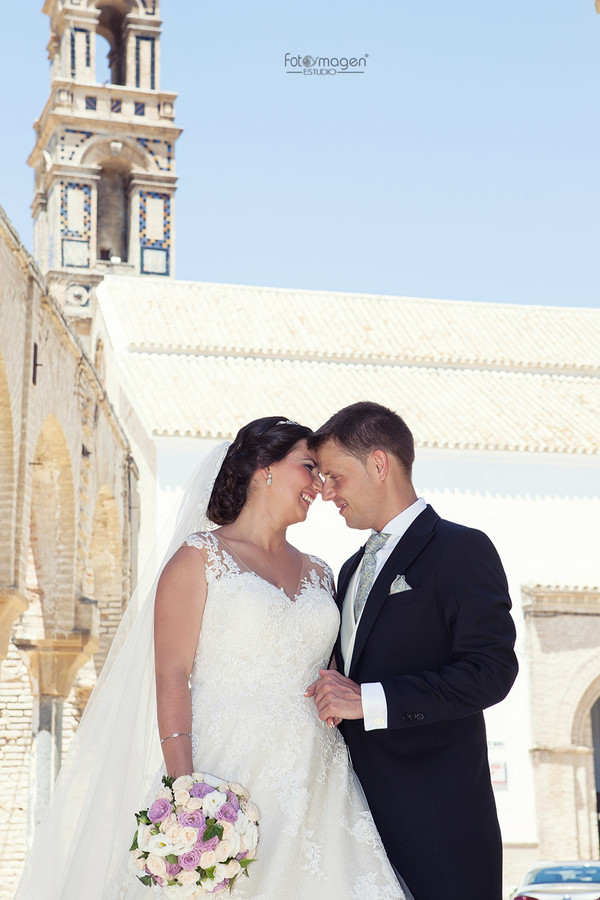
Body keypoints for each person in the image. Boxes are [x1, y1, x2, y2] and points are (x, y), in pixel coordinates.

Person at [15, 416, 409, 900]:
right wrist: (187, 795)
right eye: (309, 467)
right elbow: (171, 675)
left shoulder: (322, 574)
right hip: (226, 771)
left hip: (317, 777)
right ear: (264, 468)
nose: (319, 485)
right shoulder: (198, 559)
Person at [306, 401, 518, 900]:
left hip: (440, 826)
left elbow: (491, 670)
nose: (327, 493)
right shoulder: (348, 568)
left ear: (380, 464)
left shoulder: (461, 550)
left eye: (335, 476)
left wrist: (369, 700)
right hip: (353, 822)